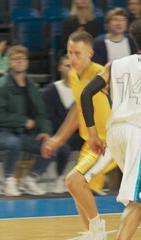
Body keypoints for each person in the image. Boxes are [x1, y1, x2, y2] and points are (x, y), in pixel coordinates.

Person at [80, 16, 141, 240]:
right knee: (139, 201)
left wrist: (93, 134)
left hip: (115, 134)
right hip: (138, 134)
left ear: (134, 39)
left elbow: (86, 94)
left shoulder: (115, 65)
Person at [41, 31, 117, 239]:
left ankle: (98, 231)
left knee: (73, 181)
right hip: (90, 144)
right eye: (69, 53)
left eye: (77, 53)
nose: (72, 58)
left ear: (90, 53)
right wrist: (58, 139)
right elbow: (77, 110)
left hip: (108, 143)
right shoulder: (74, 76)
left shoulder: (101, 74)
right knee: (77, 189)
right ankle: (91, 232)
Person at [0, 45, 53, 196]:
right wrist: (22, 121)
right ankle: (8, 181)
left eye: (22, 58)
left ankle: (30, 179)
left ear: (27, 62)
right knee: (14, 143)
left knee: (51, 146)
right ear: (8, 63)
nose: (20, 62)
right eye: (15, 59)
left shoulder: (32, 86)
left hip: (22, 133)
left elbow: (41, 113)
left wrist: (45, 131)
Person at [42, 55, 83, 193]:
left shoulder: (83, 89)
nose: (71, 69)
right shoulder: (50, 91)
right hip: (58, 134)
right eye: (67, 65)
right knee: (63, 148)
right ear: (60, 68)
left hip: (79, 133)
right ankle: (60, 178)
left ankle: (89, 181)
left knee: (98, 146)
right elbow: (49, 117)